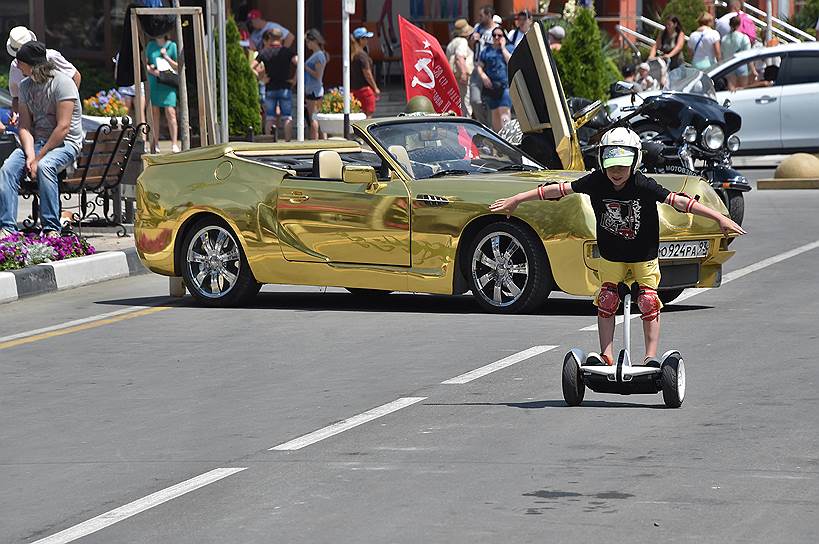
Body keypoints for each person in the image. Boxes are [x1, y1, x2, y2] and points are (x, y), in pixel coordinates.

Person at [489, 127, 746, 365]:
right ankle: (606, 355)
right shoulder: (596, 181)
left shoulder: (642, 184)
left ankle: (650, 358)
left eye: (623, 166)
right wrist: (517, 199)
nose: (616, 172)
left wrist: (720, 218)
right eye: (611, 165)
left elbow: (678, 202)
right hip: (611, 255)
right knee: (607, 300)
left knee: (648, 301)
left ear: (635, 162)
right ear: (602, 161)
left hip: (643, 255)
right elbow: (558, 190)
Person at [0, 42, 83, 239]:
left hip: (66, 144)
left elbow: (63, 128)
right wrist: (30, 156)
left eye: (20, 63)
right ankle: (7, 229)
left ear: (31, 64)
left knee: (46, 166)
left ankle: (51, 228)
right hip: (36, 144)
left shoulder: (62, 83)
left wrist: (38, 159)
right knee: (7, 169)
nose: (17, 67)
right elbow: (25, 127)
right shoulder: (25, 86)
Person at [6, 26, 81, 119]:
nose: (18, 66)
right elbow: (16, 97)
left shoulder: (52, 56)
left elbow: (75, 76)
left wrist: (67, 106)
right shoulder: (15, 67)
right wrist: (16, 114)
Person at [252, 29, 297, 139]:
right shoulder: (287, 51)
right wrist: (295, 79)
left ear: (270, 38)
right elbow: (299, 63)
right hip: (285, 87)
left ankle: (269, 140)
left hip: (270, 88)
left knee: (270, 117)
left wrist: (261, 78)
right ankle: (288, 141)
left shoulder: (264, 52)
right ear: (281, 38)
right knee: (287, 117)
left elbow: (251, 67)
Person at [145, 35, 179, 153]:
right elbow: (145, 63)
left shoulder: (172, 45)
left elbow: (178, 66)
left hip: (168, 83)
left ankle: (174, 143)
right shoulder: (150, 45)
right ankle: (155, 143)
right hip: (154, 82)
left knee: (171, 112)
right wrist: (152, 71)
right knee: (154, 113)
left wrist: (166, 57)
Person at [476, 26, 513, 132]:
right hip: (491, 87)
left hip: (504, 86)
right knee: (495, 116)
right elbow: (479, 66)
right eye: (494, 35)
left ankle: (508, 140)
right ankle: (499, 143)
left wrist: (503, 48)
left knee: (504, 114)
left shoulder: (509, 48)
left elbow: (511, 62)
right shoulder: (487, 51)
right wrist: (483, 76)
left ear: (504, 37)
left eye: (499, 35)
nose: (496, 37)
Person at [469, 5, 498, 127]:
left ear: (489, 16)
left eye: (482, 16)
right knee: (475, 100)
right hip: (477, 68)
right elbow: (470, 47)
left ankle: (490, 129)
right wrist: (472, 40)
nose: (479, 18)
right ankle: (483, 125)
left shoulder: (498, 31)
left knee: (491, 102)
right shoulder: (477, 28)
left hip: (491, 70)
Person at [446, 19, 475, 118]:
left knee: (458, 103)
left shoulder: (452, 43)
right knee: (466, 103)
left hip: (454, 77)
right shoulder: (462, 42)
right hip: (461, 77)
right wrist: (464, 73)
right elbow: (459, 57)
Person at [350, 27, 380, 119]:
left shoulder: (353, 55)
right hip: (365, 91)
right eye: (365, 38)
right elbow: (367, 73)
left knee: (358, 116)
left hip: (355, 90)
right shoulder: (362, 55)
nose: (367, 40)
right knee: (368, 117)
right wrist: (375, 88)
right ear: (361, 40)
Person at [304, 29, 328, 140]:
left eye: (308, 42)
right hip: (314, 89)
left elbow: (318, 75)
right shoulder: (317, 55)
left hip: (314, 90)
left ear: (313, 41)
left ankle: (315, 139)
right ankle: (321, 139)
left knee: (313, 117)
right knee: (316, 116)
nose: (307, 44)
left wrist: (305, 67)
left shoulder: (318, 56)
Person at [721, 16, 752, 89]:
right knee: (742, 90)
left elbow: (722, 53)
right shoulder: (744, 37)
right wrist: (752, 69)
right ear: (739, 24)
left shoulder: (724, 38)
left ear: (729, 24)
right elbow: (748, 54)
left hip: (729, 66)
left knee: (731, 91)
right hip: (741, 65)